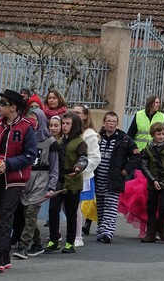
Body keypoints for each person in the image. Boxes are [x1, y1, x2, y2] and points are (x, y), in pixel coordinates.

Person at [0, 89, 37, 272]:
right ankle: (5, 256)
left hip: (14, 180)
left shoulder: (26, 127)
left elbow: (30, 155)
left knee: (5, 215)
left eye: (3, 103)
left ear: (13, 107)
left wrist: (8, 164)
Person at [13, 110, 59, 259]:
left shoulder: (50, 142)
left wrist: (52, 186)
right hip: (26, 178)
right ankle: (38, 243)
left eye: (35, 120)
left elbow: (54, 167)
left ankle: (23, 245)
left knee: (32, 211)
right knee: (28, 215)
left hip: (41, 178)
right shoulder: (26, 138)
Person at [44, 112, 87, 254]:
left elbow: (84, 159)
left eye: (68, 124)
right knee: (53, 209)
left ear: (75, 125)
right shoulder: (60, 141)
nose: (64, 126)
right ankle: (54, 240)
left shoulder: (80, 142)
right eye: (63, 123)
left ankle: (70, 242)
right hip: (59, 180)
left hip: (73, 181)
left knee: (71, 213)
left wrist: (78, 167)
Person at [94, 111, 133, 243]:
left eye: (113, 122)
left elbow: (136, 156)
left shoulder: (124, 139)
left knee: (110, 205)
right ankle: (101, 229)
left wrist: (126, 170)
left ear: (117, 124)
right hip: (98, 177)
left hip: (114, 178)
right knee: (100, 205)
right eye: (108, 121)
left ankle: (108, 232)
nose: (111, 124)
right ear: (103, 123)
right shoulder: (97, 137)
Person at [137, 123, 164, 242]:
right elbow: (144, 166)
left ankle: (163, 230)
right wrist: (152, 179)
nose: (161, 136)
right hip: (153, 182)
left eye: (163, 134)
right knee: (151, 207)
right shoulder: (147, 149)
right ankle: (150, 233)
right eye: (158, 134)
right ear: (153, 135)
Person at [71, 104, 100, 247]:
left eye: (78, 113)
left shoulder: (90, 135)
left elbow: (95, 157)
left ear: (85, 116)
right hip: (68, 174)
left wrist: (81, 169)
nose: (75, 115)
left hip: (82, 175)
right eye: (73, 112)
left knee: (76, 206)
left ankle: (78, 237)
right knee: (65, 206)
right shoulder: (70, 131)